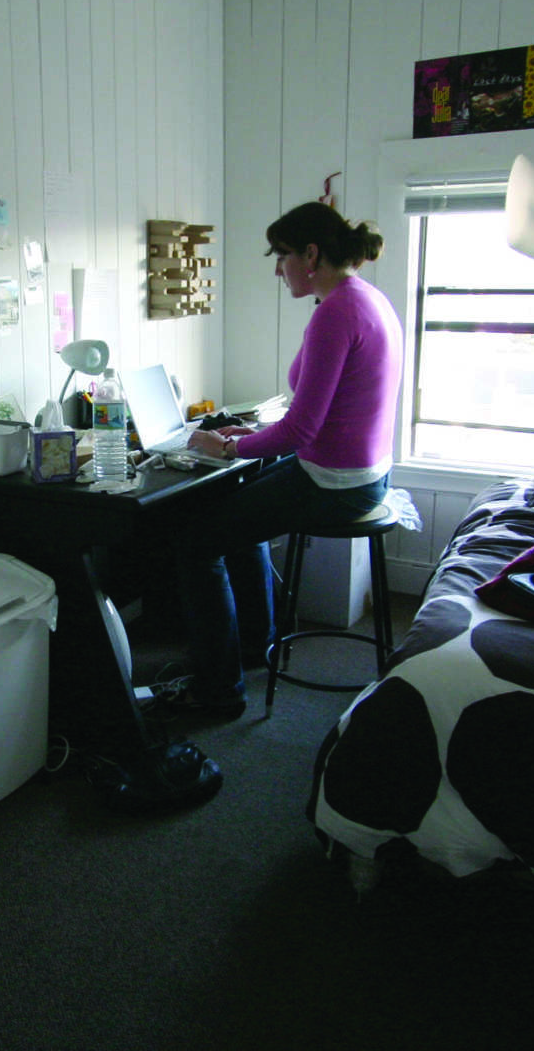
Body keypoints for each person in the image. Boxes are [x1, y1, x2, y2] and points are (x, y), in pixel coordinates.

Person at [158, 202, 403, 718]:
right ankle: (251, 646)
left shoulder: (335, 312)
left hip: (335, 483)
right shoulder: (365, 298)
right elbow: (322, 414)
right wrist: (254, 434)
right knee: (238, 518)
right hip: (358, 472)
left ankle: (218, 690)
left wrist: (226, 446)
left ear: (311, 254)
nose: (277, 268)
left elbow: (303, 430)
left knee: (196, 544)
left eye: (281, 255)